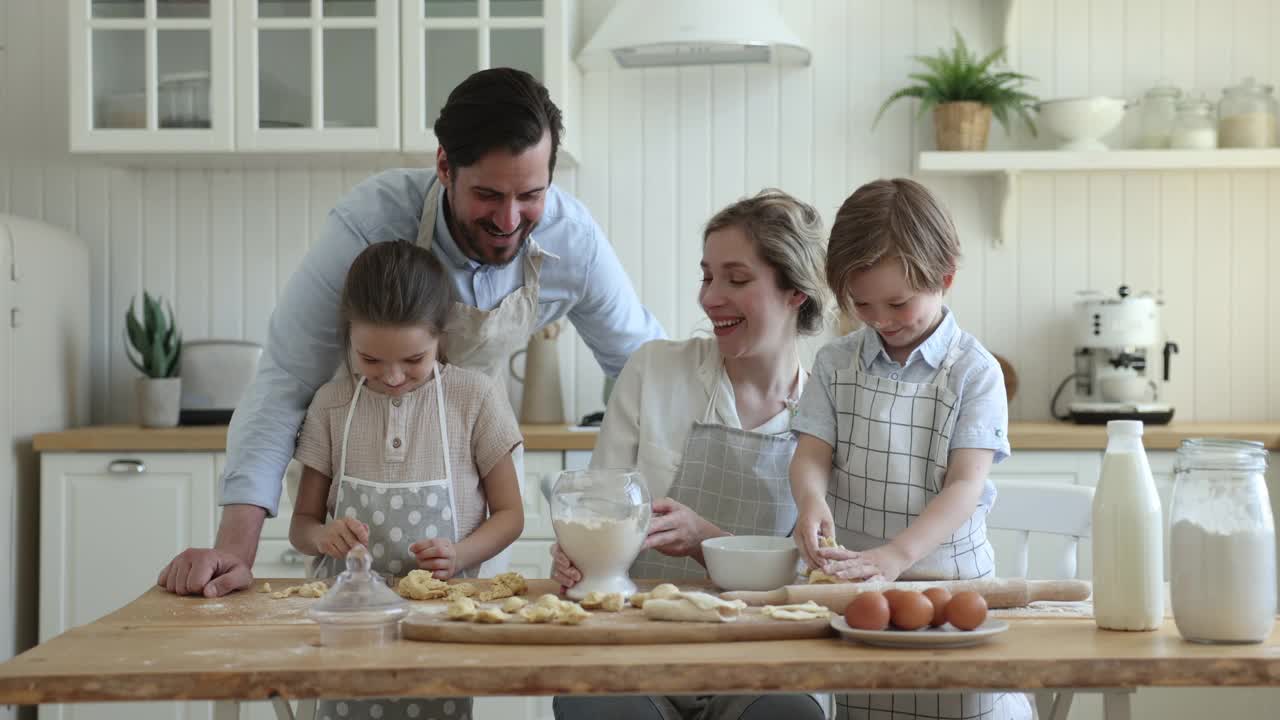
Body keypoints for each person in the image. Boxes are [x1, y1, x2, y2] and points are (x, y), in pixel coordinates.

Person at [157, 67, 664, 597]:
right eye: (488, 195)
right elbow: (285, 379)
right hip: (356, 458)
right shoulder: (370, 224)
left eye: (531, 195)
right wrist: (236, 551)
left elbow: (648, 376)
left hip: (470, 496)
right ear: (444, 165)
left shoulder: (573, 242)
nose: (510, 220)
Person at [551, 189, 831, 720]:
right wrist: (576, 552)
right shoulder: (654, 370)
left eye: (737, 279)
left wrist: (706, 541)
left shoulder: (827, 410)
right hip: (639, 643)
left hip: (766, 657)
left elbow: (818, 581)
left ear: (795, 291)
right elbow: (596, 506)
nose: (709, 298)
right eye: (707, 276)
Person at [788, 179, 1028, 720]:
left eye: (898, 302)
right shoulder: (835, 363)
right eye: (863, 305)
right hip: (858, 597)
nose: (882, 320)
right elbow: (811, 454)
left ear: (944, 278)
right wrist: (810, 501)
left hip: (950, 592)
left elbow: (966, 484)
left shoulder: (974, 371)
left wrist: (897, 556)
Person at [290, 239, 524, 720]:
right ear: (348, 339)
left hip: (442, 624)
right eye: (370, 361)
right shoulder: (331, 405)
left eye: (413, 360)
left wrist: (460, 554)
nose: (393, 377)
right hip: (349, 629)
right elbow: (303, 526)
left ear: (441, 335)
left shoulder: (473, 398)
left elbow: (511, 515)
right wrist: (323, 536)